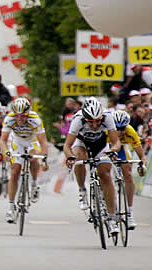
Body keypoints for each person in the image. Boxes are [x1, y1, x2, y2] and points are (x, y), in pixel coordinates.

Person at [63, 97, 121, 234]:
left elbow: (116, 142)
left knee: (105, 175)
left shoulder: (107, 117)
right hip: (82, 143)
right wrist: (70, 157)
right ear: (85, 118)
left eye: (97, 121)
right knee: (79, 157)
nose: (95, 125)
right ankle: (82, 190)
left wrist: (113, 151)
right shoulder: (78, 119)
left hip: (100, 145)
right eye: (90, 122)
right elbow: (67, 145)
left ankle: (112, 219)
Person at [0, 98, 48, 223]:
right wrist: (6, 152)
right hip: (17, 141)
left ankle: (34, 184)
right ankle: (11, 207)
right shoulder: (9, 119)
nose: (20, 119)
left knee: (33, 158)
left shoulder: (35, 119)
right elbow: (3, 140)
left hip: (32, 140)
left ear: (28, 114)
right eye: (17, 116)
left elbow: (43, 142)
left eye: (23, 116)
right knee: (15, 172)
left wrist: (43, 157)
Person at [111, 110, 147, 229]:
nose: (120, 132)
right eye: (117, 128)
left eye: (123, 128)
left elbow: (141, 156)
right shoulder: (106, 130)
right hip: (108, 147)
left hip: (122, 148)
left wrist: (142, 165)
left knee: (128, 174)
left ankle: (129, 212)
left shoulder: (131, 132)